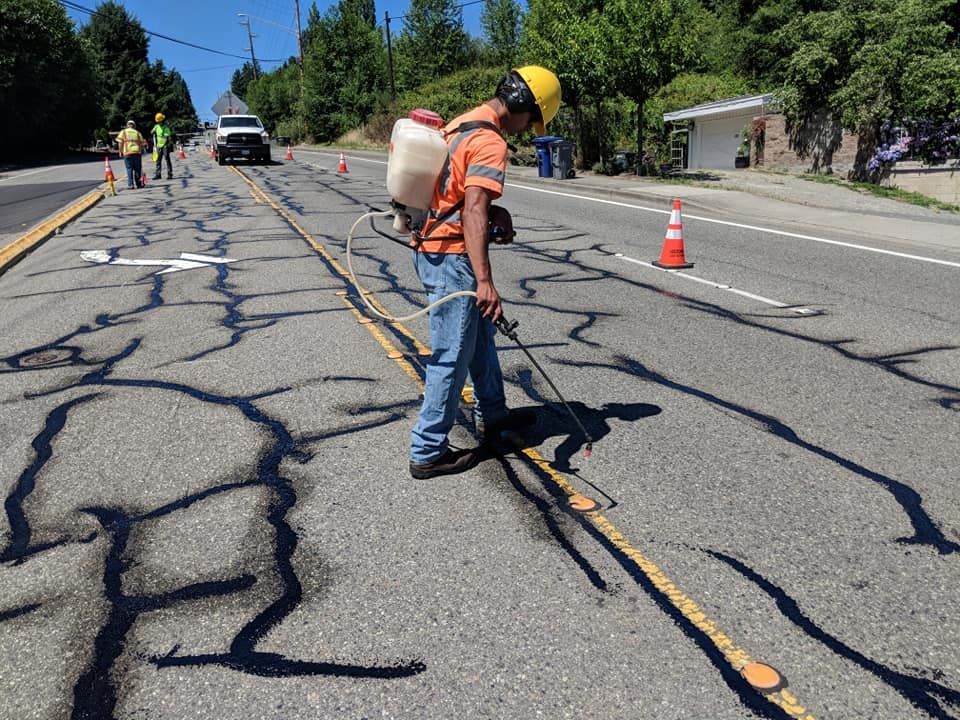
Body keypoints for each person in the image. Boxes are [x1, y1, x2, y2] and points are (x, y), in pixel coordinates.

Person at [408, 65, 562, 480]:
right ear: (521, 105)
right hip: (452, 259)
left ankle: (493, 416)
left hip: (431, 247)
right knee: (451, 356)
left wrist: (499, 210)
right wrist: (485, 282)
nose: (527, 127)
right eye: (531, 118)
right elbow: (473, 210)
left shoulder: (461, 124)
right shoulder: (490, 141)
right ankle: (426, 449)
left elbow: (453, 192)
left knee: (481, 343)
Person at [116, 120, 147, 189]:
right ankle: (139, 184)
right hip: (137, 153)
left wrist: (120, 151)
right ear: (134, 126)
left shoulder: (123, 132)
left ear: (127, 125)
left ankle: (131, 185)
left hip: (127, 153)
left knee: (129, 169)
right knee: (137, 169)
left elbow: (120, 142)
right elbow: (142, 144)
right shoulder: (138, 133)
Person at [151, 112, 174, 180]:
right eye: (158, 121)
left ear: (162, 121)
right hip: (158, 145)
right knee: (158, 160)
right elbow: (151, 132)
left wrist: (164, 144)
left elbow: (167, 136)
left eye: (159, 121)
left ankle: (170, 174)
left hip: (165, 145)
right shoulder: (156, 126)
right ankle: (158, 174)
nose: (158, 122)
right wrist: (153, 131)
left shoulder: (166, 127)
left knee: (167, 159)